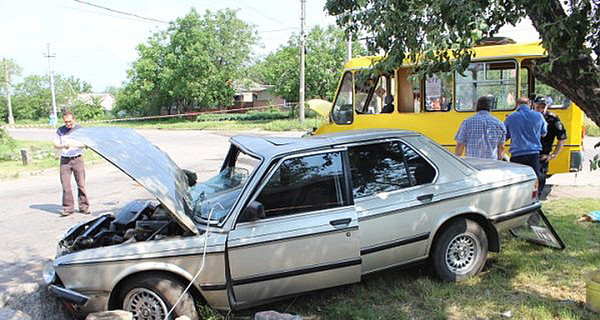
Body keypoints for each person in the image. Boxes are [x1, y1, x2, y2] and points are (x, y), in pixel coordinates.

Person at [504, 97, 548, 196]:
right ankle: (533, 199)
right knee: (534, 181)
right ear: (530, 104)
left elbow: (505, 136)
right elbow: (544, 133)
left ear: (517, 104)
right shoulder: (538, 116)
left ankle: (519, 200)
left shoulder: (510, 117)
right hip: (533, 154)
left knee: (517, 181)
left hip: (517, 154)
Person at [54, 111, 90, 216]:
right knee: (66, 185)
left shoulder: (80, 130)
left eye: (70, 121)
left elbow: (86, 144)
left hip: (77, 159)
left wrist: (76, 144)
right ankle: (68, 208)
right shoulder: (60, 130)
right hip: (65, 160)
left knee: (81, 184)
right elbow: (56, 144)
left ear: (74, 119)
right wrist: (63, 146)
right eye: (66, 122)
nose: (68, 124)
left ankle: (84, 207)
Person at [534, 96, 567, 195]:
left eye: (542, 107)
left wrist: (553, 155)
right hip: (527, 154)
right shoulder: (528, 117)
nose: (540, 109)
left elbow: (562, 138)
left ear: (547, 106)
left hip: (542, 155)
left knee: (539, 182)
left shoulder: (552, 119)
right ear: (533, 105)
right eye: (538, 107)